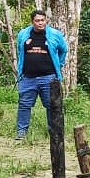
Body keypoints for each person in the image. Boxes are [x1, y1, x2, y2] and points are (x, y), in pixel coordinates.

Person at [15, 10, 69, 140]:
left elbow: (63, 50)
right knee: (24, 105)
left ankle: (55, 131)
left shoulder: (55, 34)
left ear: (46, 20)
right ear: (32, 22)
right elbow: (20, 50)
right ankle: (21, 132)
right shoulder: (23, 34)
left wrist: (59, 64)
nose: (40, 23)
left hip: (49, 77)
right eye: (37, 21)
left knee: (52, 105)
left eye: (42, 20)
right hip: (28, 77)